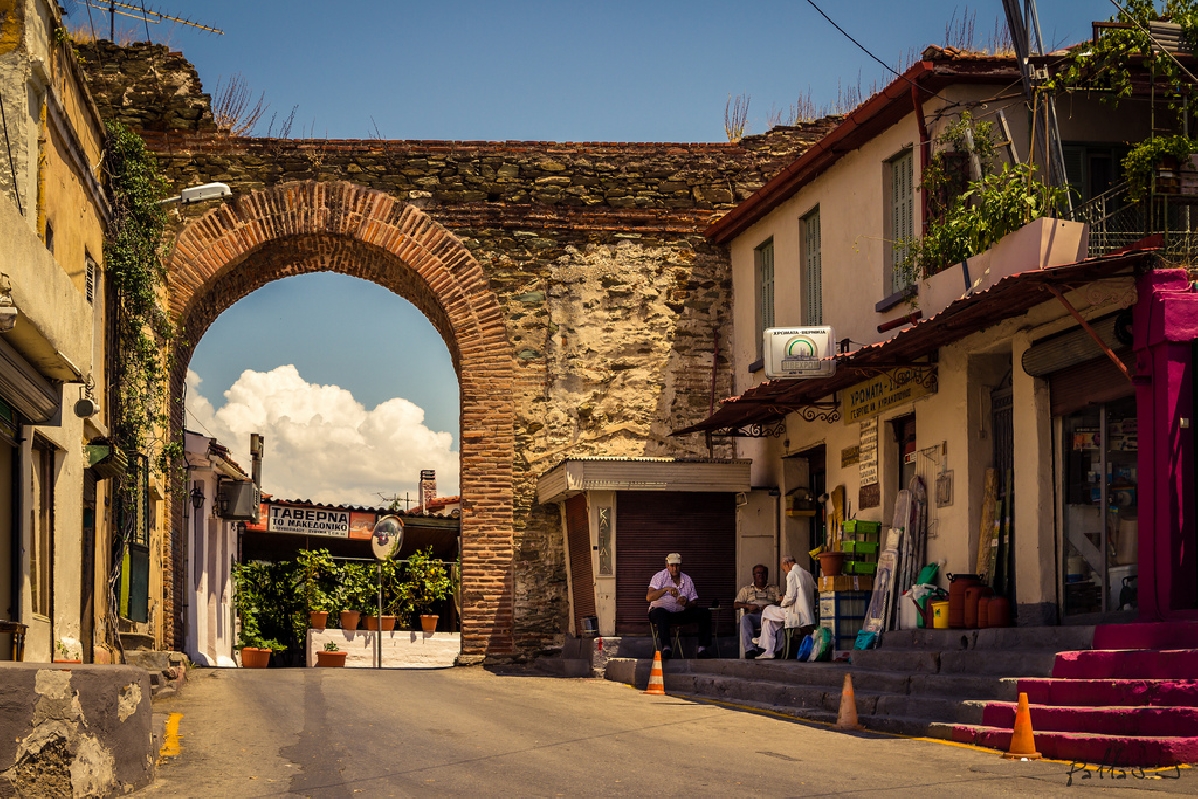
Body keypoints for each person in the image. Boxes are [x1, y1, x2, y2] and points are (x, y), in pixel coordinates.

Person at [646, 553, 714, 660]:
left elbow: (694, 602)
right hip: (660, 614)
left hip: (679, 613)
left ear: (681, 565)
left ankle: (702, 648)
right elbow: (649, 597)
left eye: (677, 565)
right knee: (660, 612)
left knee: (705, 612)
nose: (675, 568)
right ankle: (666, 647)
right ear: (667, 565)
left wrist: (686, 603)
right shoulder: (659, 577)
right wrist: (665, 589)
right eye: (672, 565)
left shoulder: (687, 579)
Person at [753, 555, 816, 659]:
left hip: (796, 613)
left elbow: (790, 598)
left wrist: (782, 601)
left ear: (786, 564)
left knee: (767, 610)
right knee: (769, 622)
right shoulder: (807, 574)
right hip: (808, 613)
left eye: (784, 569)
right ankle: (768, 651)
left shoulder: (792, 574)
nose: (785, 572)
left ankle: (762, 640)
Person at [734, 564, 780, 659]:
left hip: (770, 616)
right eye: (758, 573)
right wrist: (748, 606)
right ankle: (750, 650)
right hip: (755, 616)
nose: (761, 575)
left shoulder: (774, 589)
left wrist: (770, 606)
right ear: (753, 575)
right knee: (745, 619)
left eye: (763, 573)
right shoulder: (746, 590)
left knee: (780, 621)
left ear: (767, 575)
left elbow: (781, 602)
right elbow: (736, 605)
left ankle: (778, 650)